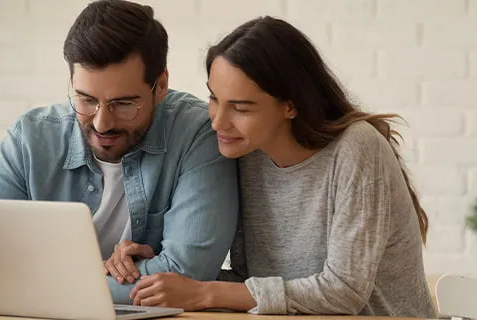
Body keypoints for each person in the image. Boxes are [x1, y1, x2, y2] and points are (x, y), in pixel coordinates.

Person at [123, 16, 438, 318]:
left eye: (241, 107)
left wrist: (205, 293)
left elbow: (344, 291)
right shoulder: (246, 155)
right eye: (214, 98)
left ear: (290, 105)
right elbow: (256, 286)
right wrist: (167, 275)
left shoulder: (356, 147)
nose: (217, 121)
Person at [0, 0, 239, 306]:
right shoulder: (30, 139)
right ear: (71, 82)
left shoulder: (197, 134)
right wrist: (95, 276)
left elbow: (187, 274)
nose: (101, 123)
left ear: (160, 85)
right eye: (85, 99)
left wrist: (28, 281)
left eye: (123, 104)